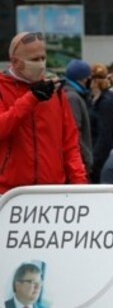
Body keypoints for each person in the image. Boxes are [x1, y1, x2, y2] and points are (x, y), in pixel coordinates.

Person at [0, 32, 88, 194]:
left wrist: (80, 186)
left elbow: (70, 143)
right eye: (35, 59)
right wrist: (31, 98)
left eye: (43, 57)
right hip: (9, 194)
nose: (41, 64)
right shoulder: (2, 88)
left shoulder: (55, 91)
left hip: (51, 193)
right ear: (15, 62)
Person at [62, 59, 94, 177]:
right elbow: (75, 132)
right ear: (84, 78)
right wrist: (87, 159)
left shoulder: (72, 94)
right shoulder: (73, 98)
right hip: (79, 164)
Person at [89, 63, 113, 182]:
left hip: (102, 159)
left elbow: (104, 136)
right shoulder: (96, 99)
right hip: (101, 155)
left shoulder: (105, 103)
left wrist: (93, 161)